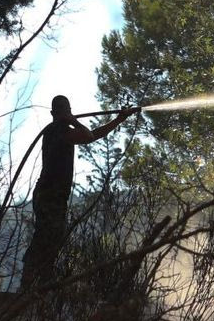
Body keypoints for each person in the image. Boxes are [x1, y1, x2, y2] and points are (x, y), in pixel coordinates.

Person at [21, 95, 139, 290]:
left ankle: (42, 280)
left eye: (67, 109)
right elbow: (88, 136)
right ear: (54, 113)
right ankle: (31, 280)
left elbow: (93, 134)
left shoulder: (64, 130)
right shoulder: (56, 130)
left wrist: (119, 119)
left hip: (54, 194)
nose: (65, 113)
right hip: (49, 194)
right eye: (62, 110)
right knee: (46, 234)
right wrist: (73, 120)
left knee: (53, 235)